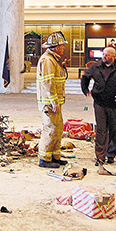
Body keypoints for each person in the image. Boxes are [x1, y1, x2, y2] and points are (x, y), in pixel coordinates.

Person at [81, 46, 116, 175]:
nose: (105, 57)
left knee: (114, 129)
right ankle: (100, 156)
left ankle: (111, 154)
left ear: (113, 56)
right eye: (104, 54)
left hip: (114, 103)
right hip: (99, 102)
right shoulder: (95, 67)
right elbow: (85, 78)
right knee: (101, 129)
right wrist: (86, 90)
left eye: (108, 55)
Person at [36, 31, 68, 168]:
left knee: (58, 128)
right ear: (55, 47)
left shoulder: (53, 59)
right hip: (49, 103)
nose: (63, 48)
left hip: (55, 102)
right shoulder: (48, 60)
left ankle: (54, 156)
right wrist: (54, 101)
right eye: (61, 46)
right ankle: (44, 159)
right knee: (50, 129)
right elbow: (48, 82)